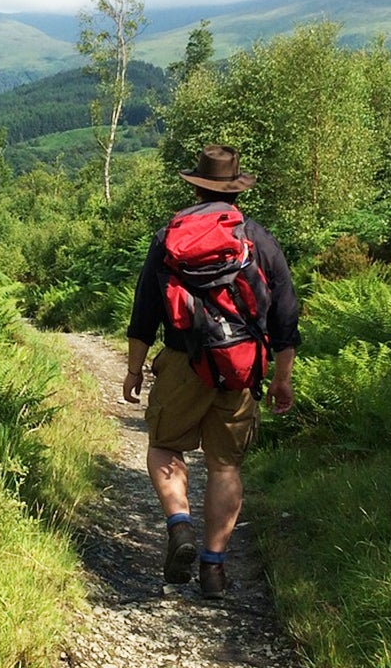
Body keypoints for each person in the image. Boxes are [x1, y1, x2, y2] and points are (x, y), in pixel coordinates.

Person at [122, 144, 300, 599]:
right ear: (237, 190)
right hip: (240, 367)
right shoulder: (257, 238)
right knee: (225, 465)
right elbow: (285, 315)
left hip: (182, 361)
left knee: (164, 446)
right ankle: (214, 569)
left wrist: (135, 369)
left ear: (197, 188)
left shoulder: (169, 237)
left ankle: (179, 524)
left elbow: (145, 311)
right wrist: (282, 377)